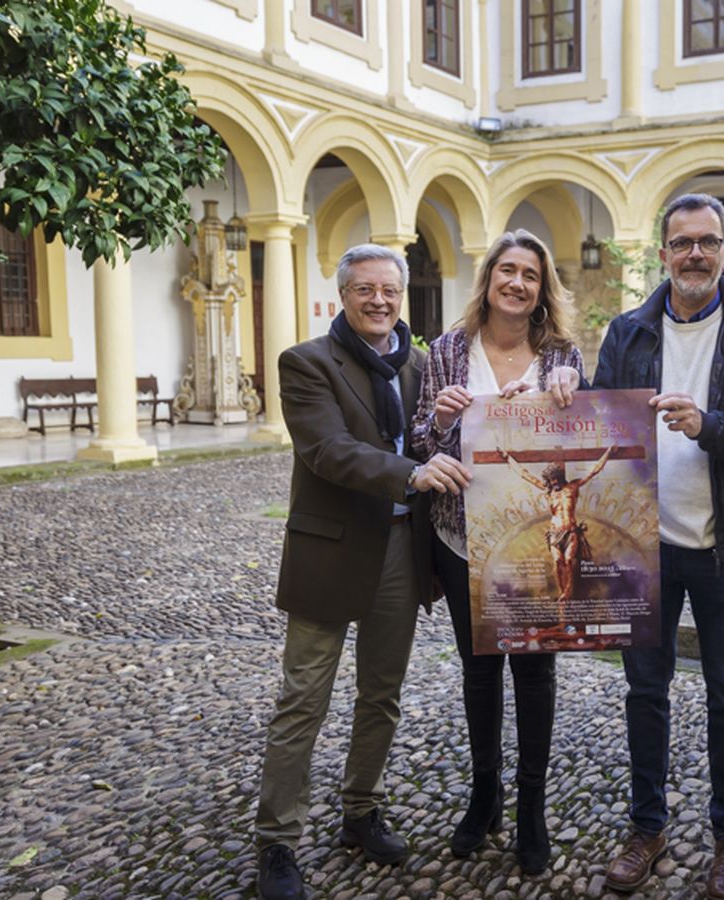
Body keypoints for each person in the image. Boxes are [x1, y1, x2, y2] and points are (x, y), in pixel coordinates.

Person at [593, 193, 724, 899]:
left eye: (707, 242)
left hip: (722, 546)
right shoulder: (626, 332)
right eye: (682, 243)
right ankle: (645, 827)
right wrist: (566, 398)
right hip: (639, 548)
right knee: (644, 691)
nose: (694, 255)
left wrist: (707, 425)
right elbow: (595, 429)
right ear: (663, 254)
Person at [254, 243, 471, 900]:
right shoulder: (306, 362)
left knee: (382, 695)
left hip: (402, 550)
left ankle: (360, 810)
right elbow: (328, 450)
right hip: (332, 548)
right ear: (344, 294)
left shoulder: (419, 365)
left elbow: (435, 442)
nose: (379, 301)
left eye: (390, 291)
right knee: (303, 700)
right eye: (365, 290)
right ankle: (277, 842)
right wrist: (410, 471)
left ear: (401, 297)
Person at [408, 229, 584, 875]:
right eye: (507, 270)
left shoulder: (561, 354)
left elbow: (579, 437)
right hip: (463, 534)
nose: (517, 282)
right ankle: (485, 794)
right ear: (488, 278)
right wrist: (445, 421)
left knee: (535, 669)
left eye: (530, 275)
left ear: (542, 289)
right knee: (480, 668)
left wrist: (571, 390)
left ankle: (531, 807)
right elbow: (421, 446)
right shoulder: (449, 352)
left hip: (537, 536)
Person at [502, 445, 617, 616]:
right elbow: (525, 475)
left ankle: (567, 592)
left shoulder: (572, 487)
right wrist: (507, 458)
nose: (554, 482)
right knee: (557, 562)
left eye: (556, 479)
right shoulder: (548, 492)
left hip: (571, 531)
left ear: (560, 477)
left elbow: (593, 471)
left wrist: (608, 453)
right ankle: (562, 593)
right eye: (551, 480)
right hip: (555, 532)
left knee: (569, 560)